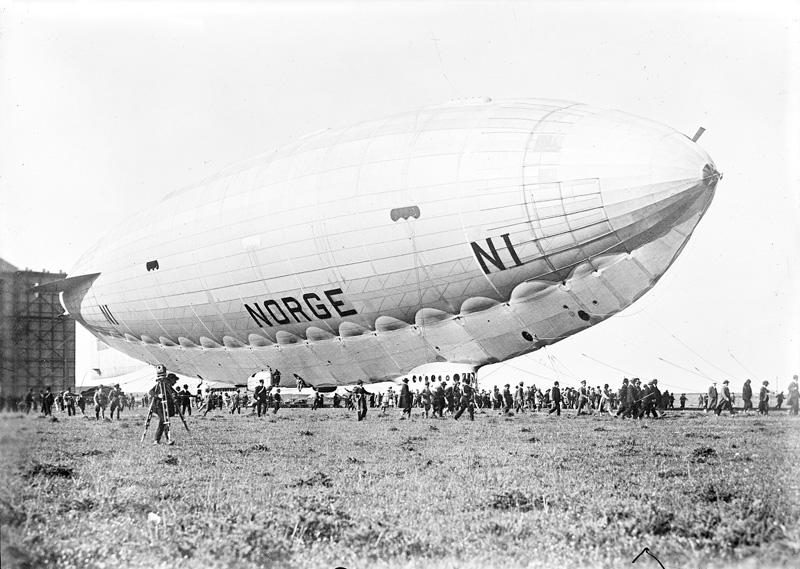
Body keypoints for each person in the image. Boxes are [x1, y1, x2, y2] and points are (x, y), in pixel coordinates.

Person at [149, 366, 179, 445]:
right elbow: (151, 392)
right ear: (170, 379)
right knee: (165, 421)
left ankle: (156, 440)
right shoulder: (160, 385)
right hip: (159, 407)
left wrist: (175, 395)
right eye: (174, 380)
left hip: (165, 407)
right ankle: (167, 440)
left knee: (162, 422)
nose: (175, 382)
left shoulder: (169, 387)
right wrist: (158, 395)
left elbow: (175, 393)